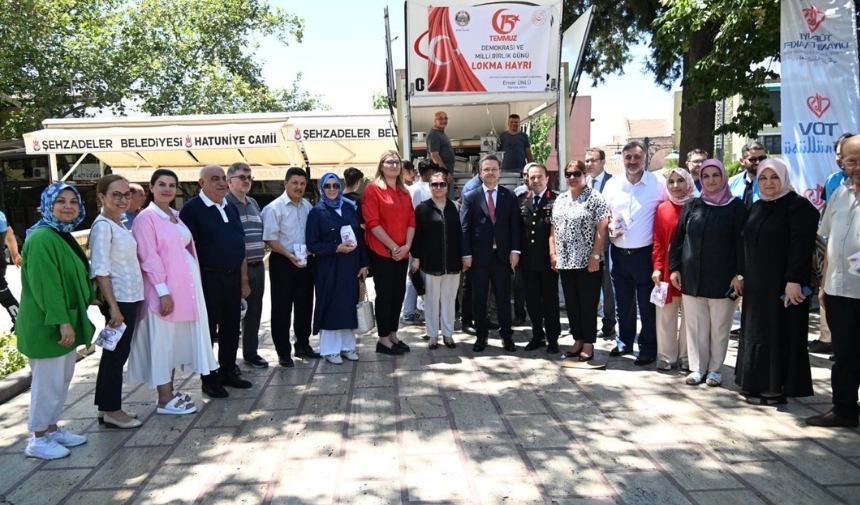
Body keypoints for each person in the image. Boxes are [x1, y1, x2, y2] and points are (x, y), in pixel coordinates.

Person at [129, 169, 217, 415]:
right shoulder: (146, 218)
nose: (167, 189)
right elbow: (149, 257)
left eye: (171, 185)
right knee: (162, 344)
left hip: (185, 291)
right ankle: (163, 399)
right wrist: (162, 292)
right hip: (163, 292)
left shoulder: (175, 216)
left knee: (173, 344)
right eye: (162, 184)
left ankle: (170, 391)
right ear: (151, 187)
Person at [17, 182, 94, 460]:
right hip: (47, 325)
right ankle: (37, 439)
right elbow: (47, 287)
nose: (68, 206)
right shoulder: (41, 238)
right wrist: (62, 322)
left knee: (60, 381)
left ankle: (51, 429)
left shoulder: (60, 234)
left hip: (62, 321)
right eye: (60, 201)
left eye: (73, 201)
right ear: (48, 205)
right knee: (47, 384)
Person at [735, 159, 819, 405]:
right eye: (763, 178)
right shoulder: (757, 206)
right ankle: (755, 383)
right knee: (756, 332)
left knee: (780, 334)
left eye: (774, 177)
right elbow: (745, 244)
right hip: (757, 286)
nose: (769, 183)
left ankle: (775, 388)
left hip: (784, 287)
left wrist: (794, 279)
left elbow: (801, 247)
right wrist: (740, 275)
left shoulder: (798, 206)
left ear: (783, 178)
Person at [669, 159, 746, 387]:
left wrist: (739, 274)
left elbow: (743, 244)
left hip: (724, 279)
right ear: (700, 179)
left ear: (723, 177)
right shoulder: (692, 205)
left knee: (720, 327)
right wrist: (674, 268)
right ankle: (697, 369)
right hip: (692, 277)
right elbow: (678, 240)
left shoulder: (736, 207)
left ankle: (715, 370)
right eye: (706, 176)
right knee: (695, 326)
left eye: (715, 175)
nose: (711, 180)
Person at [179, 165, 252, 398]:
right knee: (207, 331)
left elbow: (239, 244)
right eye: (214, 179)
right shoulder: (192, 210)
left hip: (232, 277)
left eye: (223, 178)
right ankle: (208, 378)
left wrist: (243, 279)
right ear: (201, 183)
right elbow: (187, 250)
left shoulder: (229, 206)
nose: (221, 183)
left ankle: (227, 370)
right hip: (208, 278)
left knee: (231, 328)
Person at [806, 136, 860, 427]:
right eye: (851, 161)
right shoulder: (839, 193)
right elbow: (828, 241)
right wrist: (824, 284)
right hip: (839, 290)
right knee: (844, 355)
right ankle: (844, 409)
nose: (856, 166)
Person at [602, 141, 667, 365]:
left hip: (645, 254)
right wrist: (609, 225)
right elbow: (605, 214)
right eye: (628, 157)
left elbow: (668, 213)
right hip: (618, 253)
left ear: (645, 158)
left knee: (647, 305)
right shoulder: (612, 184)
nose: (632, 161)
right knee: (623, 302)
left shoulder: (658, 183)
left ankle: (648, 347)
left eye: (637, 157)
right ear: (623, 159)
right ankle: (624, 342)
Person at [89, 175, 144, 429]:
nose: (123, 199)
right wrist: (114, 307)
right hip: (119, 299)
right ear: (101, 197)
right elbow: (101, 269)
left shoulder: (118, 223)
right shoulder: (103, 226)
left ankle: (106, 407)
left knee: (114, 354)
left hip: (128, 297)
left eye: (126, 194)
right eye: (116, 195)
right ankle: (112, 409)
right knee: (117, 355)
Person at [460, 154, 521, 352]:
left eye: (494, 169)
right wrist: (466, 254)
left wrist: (515, 250)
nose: (490, 173)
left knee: (503, 298)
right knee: (479, 298)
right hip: (478, 257)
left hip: (502, 256)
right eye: (486, 169)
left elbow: (515, 226)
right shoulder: (470, 196)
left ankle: (507, 337)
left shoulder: (508, 195)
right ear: (480, 173)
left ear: (500, 172)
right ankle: (481, 336)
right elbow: (464, 228)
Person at [550, 160, 610, 361]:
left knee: (588, 303)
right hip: (566, 261)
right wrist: (553, 253)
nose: (572, 178)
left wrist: (595, 255)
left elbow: (602, 228)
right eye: (568, 174)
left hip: (587, 262)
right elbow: (553, 228)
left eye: (577, 173)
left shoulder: (594, 198)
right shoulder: (561, 199)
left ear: (585, 174)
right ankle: (577, 339)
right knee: (572, 303)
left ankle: (588, 343)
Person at [306, 173, 368, 364]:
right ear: (321, 189)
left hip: (350, 266)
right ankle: (330, 349)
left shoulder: (349, 209)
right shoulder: (317, 213)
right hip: (328, 267)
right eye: (327, 186)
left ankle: (347, 347)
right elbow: (312, 243)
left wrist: (364, 264)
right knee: (331, 305)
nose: (332, 189)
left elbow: (360, 238)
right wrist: (335, 248)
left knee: (348, 304)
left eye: (335, 186)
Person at [262, 167, 319, 367]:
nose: (299, 187)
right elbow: (269, 238)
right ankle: (283, 352)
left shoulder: (308, 207)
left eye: (302, 184)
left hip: (305, 262)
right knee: (281, 309)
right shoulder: (274, 208)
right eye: (295, 183)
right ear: (285, 183)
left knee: (305, 306)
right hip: (283, 262)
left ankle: (303, 345)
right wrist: (289, 256)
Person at [362, 150, 416, 355]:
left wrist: (407, 246)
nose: (394, 165)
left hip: (402, 252)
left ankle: (393, 334)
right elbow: (372, 223)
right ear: (381, 165)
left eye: (397, 162)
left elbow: (412, 220)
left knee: (398, 294)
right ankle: (383, 339)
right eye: (389, 162)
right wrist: (393, 246)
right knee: (385, 295)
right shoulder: (372, 190)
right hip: (382, 252)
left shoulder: (404, 192)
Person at [810, 133, 854, 356]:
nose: (854, 166)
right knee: (845, 361)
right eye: (849, 160)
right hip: (837, 274)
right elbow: (829, 232)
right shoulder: (836, 188)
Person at [225, 162, 268, 369]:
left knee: (254, 312)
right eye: (242, 177)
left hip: (257, 266)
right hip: (234, 270)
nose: (247, 181)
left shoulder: (252, 202)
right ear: (229, 180)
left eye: (249, 177)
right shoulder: (224, 203)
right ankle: (229, 360)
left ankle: (250, 353)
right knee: (232, 316)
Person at [412, 171, 461, 349]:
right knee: (431, 300)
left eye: (442, 184)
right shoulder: (422, 208)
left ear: (447, 186)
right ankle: (432, 335)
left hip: (453, 262)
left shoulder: (456, 207)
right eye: (434, 184)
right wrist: (416, 258)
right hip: (430, 262)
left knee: (449, 300)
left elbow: (461, 235)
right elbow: (417, 236)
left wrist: (464, 256)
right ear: (429, 186)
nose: (438, 187)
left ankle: (448, 335)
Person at [651, 168, 694, 371]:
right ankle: (666, 357)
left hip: (692, 269)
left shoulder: (697, 206)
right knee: (665, 314)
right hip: (667, 271)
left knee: (690, 316)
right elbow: (658, 241)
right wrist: (657, 267)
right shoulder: (662, 209)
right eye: (671, 182)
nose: (676, 186)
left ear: (688, 183)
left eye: (680, 181)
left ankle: (687, 357)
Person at [518, 163, 561, 354]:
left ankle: (553, 338)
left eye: (539, 177)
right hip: (527, 261)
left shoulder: (557, 200)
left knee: (550, 301)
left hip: (548, 261)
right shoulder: (521, 200)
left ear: (547, 178)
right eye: (532, 177)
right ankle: (537, 335)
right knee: (532, 301)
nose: (535, 180)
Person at [584, 147, 615, 340]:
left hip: (609, 244)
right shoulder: (581, 183)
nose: (589, 164)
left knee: (608, 287)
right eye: (587, 161)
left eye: (593, 160)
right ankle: (587, 324)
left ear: (603, 162)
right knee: (587, 288)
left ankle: (609, 323)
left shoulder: (613, 182)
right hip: (586, 245)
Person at [401, 161, 433, 325]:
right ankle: (417, 310)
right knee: (425, 274)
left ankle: (409, 309)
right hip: (426, 238)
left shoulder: (409, 190)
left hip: (409, 236)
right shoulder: (431, 189)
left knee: (411, 273)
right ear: (429, 173)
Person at [0, 209, 21, 329]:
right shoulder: (1, 215)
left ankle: (20, 322)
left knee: (4, 296)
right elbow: (10, 234)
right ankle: (20, 322)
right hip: (1, 262)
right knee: (4, 295)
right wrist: (15, 254)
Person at [728, 141, 766, 209]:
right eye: (753, 159)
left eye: (762, 158)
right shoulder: (732, 182)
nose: (758, 162)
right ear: (742, 161)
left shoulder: (771, 182)